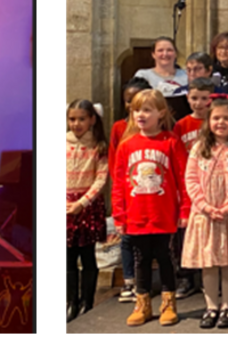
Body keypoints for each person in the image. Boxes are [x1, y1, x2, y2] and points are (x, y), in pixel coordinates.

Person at [112, 89, 189, 327]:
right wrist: (119, 215)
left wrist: (185, 210)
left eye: (147, 110)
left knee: (165, 257)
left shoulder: (171, 141)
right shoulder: (126, 145)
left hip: (164, 214)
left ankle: (168, 303)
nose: (140, 115)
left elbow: (183, 178)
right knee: (141, 259)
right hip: (136, 215)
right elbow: (118, 183)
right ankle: (142, 303)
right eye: (136, 110)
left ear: (161, 113)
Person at [183, 99, 228, 330]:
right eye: (216, 118)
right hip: (205, 215)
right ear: (208, 121)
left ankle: (227, 307)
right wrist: (205, 206)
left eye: (226, 118)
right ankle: (211, 306)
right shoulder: (199, 147)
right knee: (209, 263)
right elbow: (191, 179)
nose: (220, 122)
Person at [64, 100, 109, 323]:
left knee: (87, 255)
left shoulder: (98, 145)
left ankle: (87, 302)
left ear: (92, 119)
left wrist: (82, 202)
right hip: (65, 207)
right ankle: (72, 301)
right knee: (68, 257)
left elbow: (101, 178)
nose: (76, 124)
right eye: (72, 119)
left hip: (86, 207)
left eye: (82, 119)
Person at [108, 77, 151, 304]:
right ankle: (129, 281)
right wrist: (121, 187)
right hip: (128, 191)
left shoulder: (155, 130)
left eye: (136, 100)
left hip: (150, 191)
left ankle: (150, 283)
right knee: (127, 238)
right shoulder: (119, 127)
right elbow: (114, 160)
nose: (131, 105)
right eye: (127, 101)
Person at [172, 77, 214, 299]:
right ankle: (186, 277)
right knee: (185, 233)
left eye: (204, 98)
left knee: (209, 232)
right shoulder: (181, 125)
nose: (199, 103)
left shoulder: (215, 122)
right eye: (194, 98)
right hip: (188, 184)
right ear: (187, 98)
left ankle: (210, 277)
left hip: (212, 183)